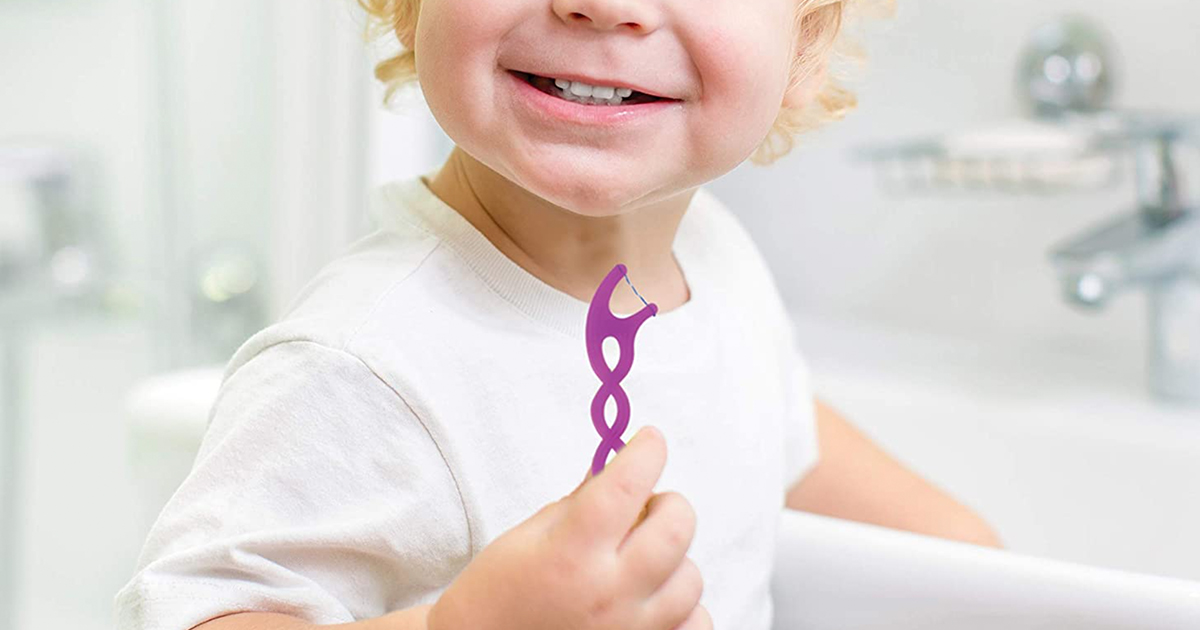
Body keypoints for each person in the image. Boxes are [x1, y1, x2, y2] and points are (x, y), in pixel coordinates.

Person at [116, 0, 999, 629]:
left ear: (805, 45)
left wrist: (977, 565)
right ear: (408, 7)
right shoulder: (360, 364)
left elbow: (765, 420)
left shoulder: (714, 254)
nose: (603, 7)